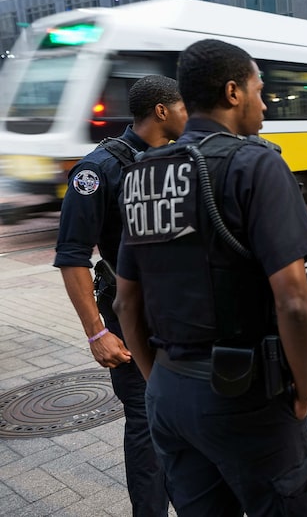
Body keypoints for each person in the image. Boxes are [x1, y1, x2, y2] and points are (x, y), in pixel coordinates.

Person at [113, 39, 307, 516]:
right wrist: (304, 392)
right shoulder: (257, 164)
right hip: (245, 396)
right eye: (259, 89)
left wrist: (157, 381)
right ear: (233, 93)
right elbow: (294, 301)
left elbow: (127, 302)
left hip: (168, 392)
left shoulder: (141, 174)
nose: (264, 103)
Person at [55, 74, 187, 516]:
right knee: (147, 427)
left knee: (185, 425)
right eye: (184, 107)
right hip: (130, 326)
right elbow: (72, 255)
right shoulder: (98, 170)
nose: (192, 115)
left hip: (181, 320)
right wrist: (96, 333)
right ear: (163, 111)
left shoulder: (179, 159)